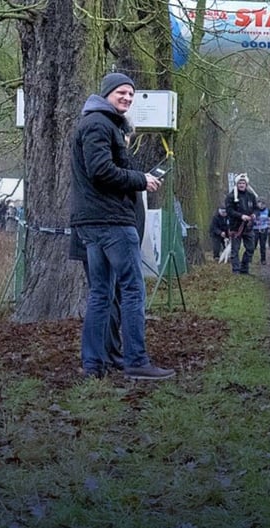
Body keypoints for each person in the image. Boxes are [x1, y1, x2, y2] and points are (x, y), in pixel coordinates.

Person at [70, 72, 173, 380]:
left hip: (92, 223)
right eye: (121, 93)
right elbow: (101, 171)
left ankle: (94, 365)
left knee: (100, 293)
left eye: (131, 93)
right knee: (131, 290)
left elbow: (102, 168)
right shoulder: (99, 124)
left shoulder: (101, 123)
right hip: (112, 221)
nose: (127, 97)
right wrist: (141, 180)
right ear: (107, 94)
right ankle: (136, 361)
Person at [225, 173, 259, 274]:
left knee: (251, 248)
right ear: (237, 184)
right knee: (235, 249)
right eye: (240, 182)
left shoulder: (251, 196)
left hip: (248, 227)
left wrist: (254, 214)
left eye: (243, 183)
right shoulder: (231, 196)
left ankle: (244, 268)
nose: (241, 185)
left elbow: (256, 208)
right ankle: (236, 269)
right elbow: (229, 210)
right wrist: (241, 216)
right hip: (236, 227)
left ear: (246, 184)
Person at [253, 198, 270, 265]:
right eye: (260, 203)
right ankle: (249, 259)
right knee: (253, 245)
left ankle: (263, 260)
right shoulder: (254, 210)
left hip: (264, 229)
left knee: (263, 245)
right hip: (255, 229)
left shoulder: (267, 211)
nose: (261, 205)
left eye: (263, 204)